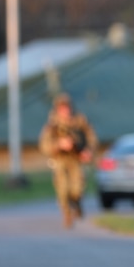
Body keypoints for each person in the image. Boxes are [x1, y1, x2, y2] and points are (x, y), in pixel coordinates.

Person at [38, 93, 98, 228]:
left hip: (76, 158)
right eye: (62, 108)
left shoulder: (80, 121)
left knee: (78, 188)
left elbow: (92, 138)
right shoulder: (52, 125)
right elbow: (44, 145)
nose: (65, 111)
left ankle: (76, 204)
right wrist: (59, 144)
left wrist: (88, 151)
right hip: (60, 160)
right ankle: (67, 214)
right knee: (63, 190)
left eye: (67, 107)